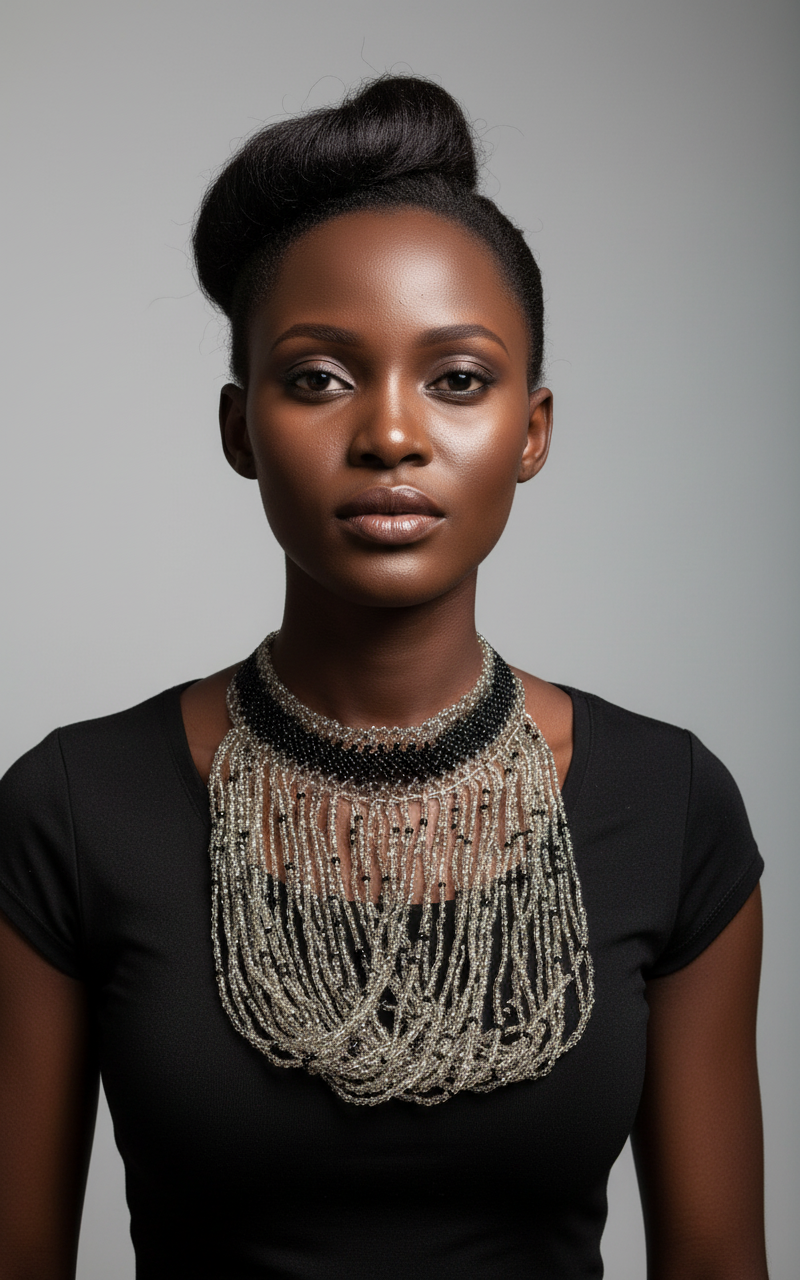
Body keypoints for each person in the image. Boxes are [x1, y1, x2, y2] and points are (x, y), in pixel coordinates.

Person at [0, 76, 768, 1279]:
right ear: (238, 426)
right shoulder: (72, 807)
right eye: (317, 377)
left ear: (532, 428)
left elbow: (717, 1258)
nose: (392, 435)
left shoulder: (668, 803)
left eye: (457, 378)